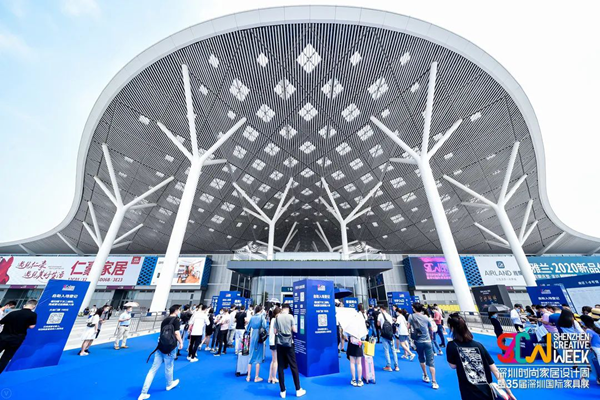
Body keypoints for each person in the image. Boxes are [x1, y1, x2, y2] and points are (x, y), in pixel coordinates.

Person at [446, 313, 516, 400]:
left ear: (452, 328)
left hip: (469, 392)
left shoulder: (452, 345)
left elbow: (453, 366)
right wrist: (509, 392)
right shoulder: (479, 345)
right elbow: (495, 370)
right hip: (487, 391)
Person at [138, 304, 183, 400]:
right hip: (170, 347)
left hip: (160, 346)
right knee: (169, 367)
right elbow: (176, 333)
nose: (179, 311)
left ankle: (143, 392)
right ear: (175, 310)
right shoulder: (176, 320)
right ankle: (169, 384)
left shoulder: (165, 320)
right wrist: (181, 342)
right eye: (179, 309)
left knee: (153, 370)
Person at [274, 303, 305, 398]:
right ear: (287, 309)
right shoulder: (291, 317)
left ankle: (282, 391)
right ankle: (298, 389)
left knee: (280, 367)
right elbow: (295, 330)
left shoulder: (277, 317)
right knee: (293, 366)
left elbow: (275, 331)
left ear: (282, 308)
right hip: (289, 344)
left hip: (280, 344)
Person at [0, 299, 37, 373]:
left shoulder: (13, 313)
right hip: (17, 339)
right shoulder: (33, 315)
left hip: (4, 337)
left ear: (24, 305)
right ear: (33, 307)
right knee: (6, 357)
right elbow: (32, 326)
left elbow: (1, 322)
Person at [408, 302, 438, 389]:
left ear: (414, 308)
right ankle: (434, 381)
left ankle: (425, 375)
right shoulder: (426, 317)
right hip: (428, 340)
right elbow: (431, 329)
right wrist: (431, 337)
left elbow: (408, 327)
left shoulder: (411, 316)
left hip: (418, 341)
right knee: (431, 362)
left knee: (421, 358)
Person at [246, 305, 267, 382]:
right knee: (258, 357)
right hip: (259, 336)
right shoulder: (261, 317)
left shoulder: (252, 317)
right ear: (261, 310)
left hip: (253, 335)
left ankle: (248, 376)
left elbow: (248, 328)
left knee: (251, 356)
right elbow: (264, 326)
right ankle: (256, 377)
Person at [377, 304, 399, 371]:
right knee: (393, 350)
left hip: (384, 334)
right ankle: (396, 366)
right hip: (390, 334)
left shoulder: (380, 315)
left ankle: (388, 366)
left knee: (386, 350)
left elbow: (378, 324)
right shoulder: (389, 316)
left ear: (381, 309)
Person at [268, 306, 281, 384]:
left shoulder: (272, 319)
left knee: (273, 360)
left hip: (271, 341)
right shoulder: (276, 320)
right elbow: (276, 331)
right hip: (275, 341)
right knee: (276, 361)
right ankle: (274, 377)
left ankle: (270, 377)